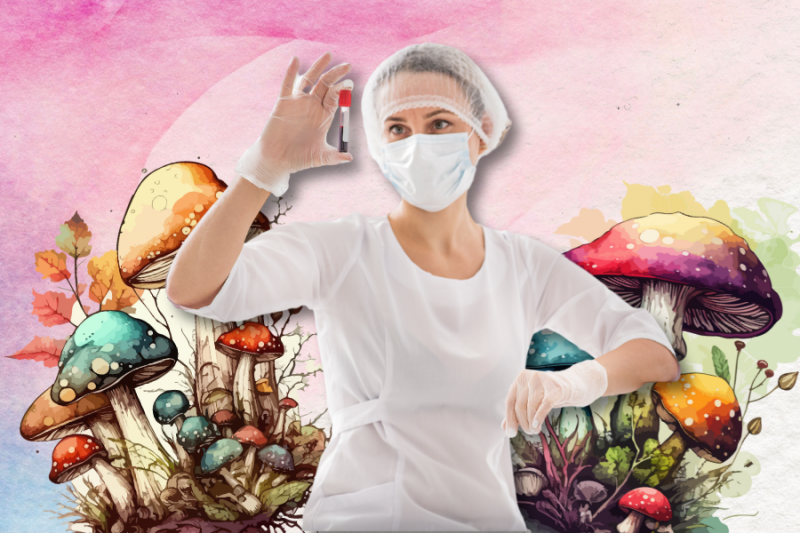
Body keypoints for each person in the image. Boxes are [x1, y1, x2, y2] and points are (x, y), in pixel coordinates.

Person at [166, 43, 681, 532]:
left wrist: (571, 383)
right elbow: (193, 289)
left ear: (482, 132)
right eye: (397, 128)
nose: (419, 145)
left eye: (439, 123)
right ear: (381, 146)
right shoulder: (343, 250)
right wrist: (264, 167)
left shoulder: (522, 265)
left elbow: (653, 353)